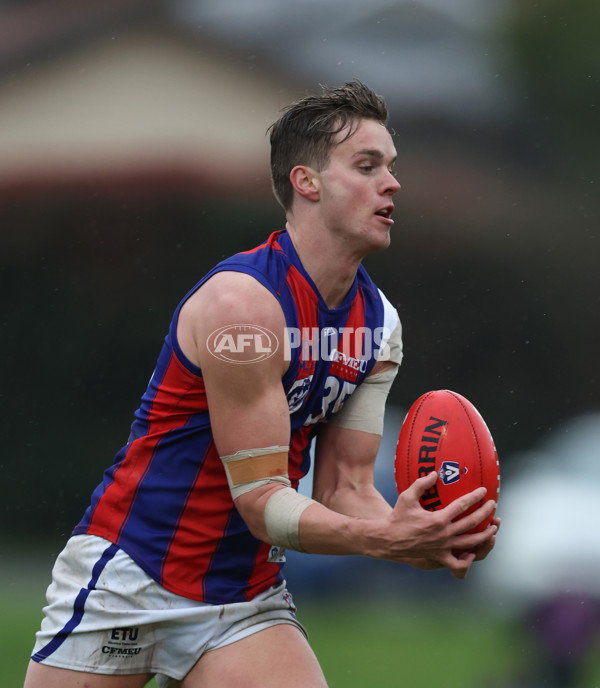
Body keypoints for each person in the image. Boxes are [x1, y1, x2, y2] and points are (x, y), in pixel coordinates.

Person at [24, 81, 499, 688]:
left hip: (243, 597)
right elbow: (261, 503)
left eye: (392, 166)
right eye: (367, 165)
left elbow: (344, 488)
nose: (392, 183)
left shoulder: (379, 325)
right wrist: (386, 541)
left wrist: (425, 535)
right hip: (133, 574)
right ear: (307, 182)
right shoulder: (242, 306)